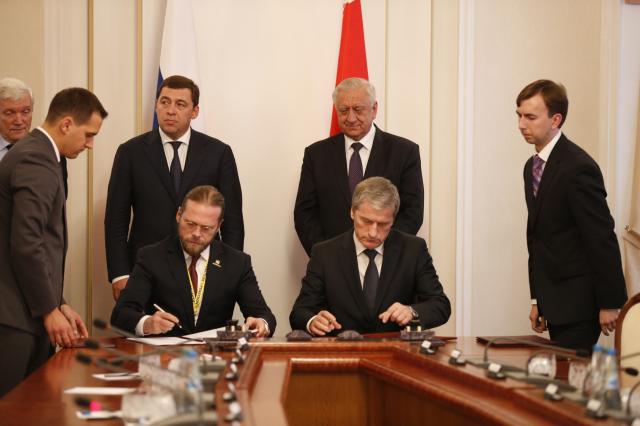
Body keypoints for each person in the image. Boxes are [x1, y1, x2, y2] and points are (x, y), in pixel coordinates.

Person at [0, 87, 108, 396]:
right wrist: (49, 310)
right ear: (66, 124)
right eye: (88, 134)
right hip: (15, 318)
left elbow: (39, 244)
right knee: (15, 411)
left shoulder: (42, 154)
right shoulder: (36, 158)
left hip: (25, 311)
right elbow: (26, 243)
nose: (90, 144)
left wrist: (59, 302)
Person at [105, 75, 244, 300]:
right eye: (165, 102)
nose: (170, 111)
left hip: (203, 268)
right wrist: (120, 274)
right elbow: (115, 220)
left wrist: (230, 272)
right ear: (156, 105)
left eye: (180, 104)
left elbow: (233, 221)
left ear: (194, 111)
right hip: (145, 271)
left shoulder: (219, 153)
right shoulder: (130, 152)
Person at [517, 79, 627, 350]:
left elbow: (600, 237)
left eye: (530, 117)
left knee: (571, 374)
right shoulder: (531, 166)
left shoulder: (578, 167)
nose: (521, 124)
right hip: (553, 302)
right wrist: (537, 299)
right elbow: (538, 237)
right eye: (519, 115)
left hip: (580, 305)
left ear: (556, 119)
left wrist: (610, 302)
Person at [290, 177, 450, 335]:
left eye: (383, 224)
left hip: (396, 349)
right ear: (352, 212)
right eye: (366, 221)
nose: (373, 233)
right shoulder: (325, 253)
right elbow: (300, 312)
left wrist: (412, 311)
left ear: (393, 220)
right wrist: (313, 321)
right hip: (342, 349)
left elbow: (441, 305)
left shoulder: (413, 250)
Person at [111, 185, 276, 337]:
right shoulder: (151, 257)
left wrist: (261, 323)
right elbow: (120, 315)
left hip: (216, 355)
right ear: (179, 215)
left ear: (219, 226)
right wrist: (147, 323)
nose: (196, 233)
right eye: (190, 224)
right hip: (165, 354)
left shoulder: (237, 262)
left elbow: (264, 315)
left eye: (206, 228)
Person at [294, 77, 424, 256]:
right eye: (343, 110)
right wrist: (326, 256)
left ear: (374, 109)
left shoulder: (404, 152)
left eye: (358, 109)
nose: (351, 118)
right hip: (332, 262)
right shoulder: (316, 155)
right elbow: (305, 214)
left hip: (386, 260)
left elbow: (412, 212)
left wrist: (383, 253)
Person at [0, 77, 69, 194]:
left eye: (25, 111)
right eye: (9, 113)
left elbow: (59, 201)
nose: (19, 121)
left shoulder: (51, 152)